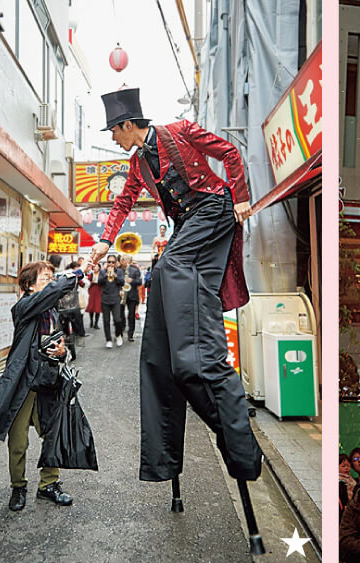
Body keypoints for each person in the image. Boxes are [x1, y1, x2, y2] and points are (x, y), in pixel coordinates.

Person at [91, 88, 261, 486]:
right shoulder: (137, 166)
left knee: (171, 265)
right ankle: (176, 348)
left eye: (115, 132)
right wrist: (102, 243)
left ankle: (196, 346)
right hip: (188, 225)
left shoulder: (180, 130)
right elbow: (123, 205)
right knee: (165, 268)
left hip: (214, 207)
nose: (113, 139)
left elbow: (230, 153)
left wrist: (241, 197)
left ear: (128, 125)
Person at [0, 260, 88, 510]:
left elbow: (57, 345)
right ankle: (18, 488)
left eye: (51, 277)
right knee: (18, 442)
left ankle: (48, 485)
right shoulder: (24, 307)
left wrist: (61, 353)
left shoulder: (52, 311)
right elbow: (55, 291)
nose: (51, 282)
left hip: (48, 382)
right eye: (45, 278)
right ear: (29, 285)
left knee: (52, 435)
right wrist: (76, 273)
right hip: (23, 385)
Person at [98, 255, 125, 348]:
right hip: (105, 299)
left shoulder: (120, 271)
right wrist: (106, 275)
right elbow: (99, 282)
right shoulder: (102, 272)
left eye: (113, 262)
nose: (111, 264)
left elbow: (122, 282)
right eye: (109, 262)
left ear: (116, 263)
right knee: (106, 321)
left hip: (116, 299)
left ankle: (118, 336)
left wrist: (115, 276)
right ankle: (108, 339)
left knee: (118, 320)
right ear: (107, 262)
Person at [119, 255, 142, 342]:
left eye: (127, 260)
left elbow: (140, 282)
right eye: (123, 260)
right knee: (120, 315)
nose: (125, 261)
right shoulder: (118, 270)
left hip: (132, 295)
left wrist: (132, 280)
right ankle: (120, 332)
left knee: (131, 315)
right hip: (121, 295)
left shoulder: (135, 270)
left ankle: (130, 334)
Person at [85, 263, 102, 329]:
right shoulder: (91, 274)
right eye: (94, 267)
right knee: (91, 306)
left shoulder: (101, 274)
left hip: (99, 290)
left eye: (96, 267)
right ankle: (91, 321)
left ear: (99, 268)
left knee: (98, 307)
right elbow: (87, 282)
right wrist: (91, 281)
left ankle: (96, 323)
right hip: (91, 290)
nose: (95, 268)